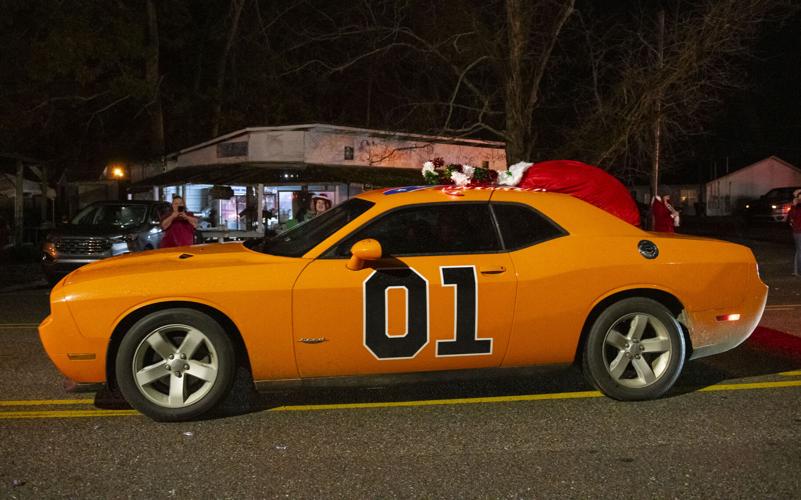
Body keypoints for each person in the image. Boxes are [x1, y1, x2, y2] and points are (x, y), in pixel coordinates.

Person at [788, 188, 801, 277]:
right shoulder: (796, 206)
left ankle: (797, 271)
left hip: (797, 230)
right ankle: (797, 271)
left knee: (799, 251)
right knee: (799, 251)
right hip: (798, 231)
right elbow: (791, 218)